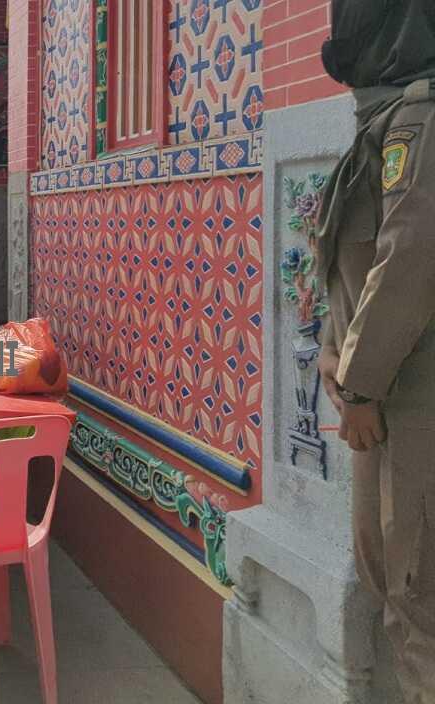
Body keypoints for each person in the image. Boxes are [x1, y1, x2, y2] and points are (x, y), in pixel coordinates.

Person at [315, 4, 435, 701]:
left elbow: (411, 259)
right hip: (382, 402)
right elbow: (346, 258)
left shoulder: (416, 119)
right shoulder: (382, 120)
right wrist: (337, 355)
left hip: (407, 402)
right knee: (392, 582)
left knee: (418, 601)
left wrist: (359, 385)